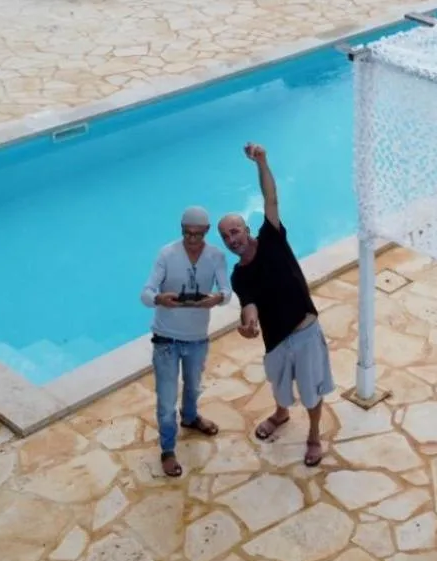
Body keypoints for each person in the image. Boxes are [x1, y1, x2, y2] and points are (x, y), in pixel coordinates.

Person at [219, 143, 335, 467]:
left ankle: (314, 435)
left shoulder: (271, 237)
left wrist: (262, 162)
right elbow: (249, 305)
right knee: (280, 386)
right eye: (225, 237)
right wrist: (248, 324)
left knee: (310, 391)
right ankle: (282, 413)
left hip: (304, 329)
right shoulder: (239, 275)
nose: (232, 239)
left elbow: (270, 197)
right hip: (275, 339)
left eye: (235, 231)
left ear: (246, 229)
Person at [140, 205, 231, 478]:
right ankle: (168, 448)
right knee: (166, 399)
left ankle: (190, 418)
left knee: (193, 386)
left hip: (197, 339)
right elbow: (145, 293)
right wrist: (159, 298)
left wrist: (217, 298)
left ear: (206, 231)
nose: (191, 239)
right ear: (181, 230)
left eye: (197, 234)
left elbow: (226, 291)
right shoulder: (167, 254)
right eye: (187, 233)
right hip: (166, 339)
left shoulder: (216, 256)